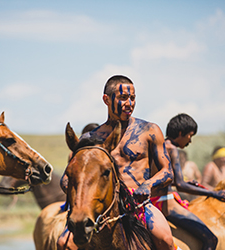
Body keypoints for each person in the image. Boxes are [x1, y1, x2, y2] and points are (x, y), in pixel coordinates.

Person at [58, 75, 175, 250]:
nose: (129, 103)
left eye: (132, 98)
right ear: (106, 99)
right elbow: (69, 177)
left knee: (164, 239)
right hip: (101, 209)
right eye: (123, 98)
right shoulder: (90, 139)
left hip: (138, 205)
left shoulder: (149, 130)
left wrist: (148, 185)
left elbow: (167, 171)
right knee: (62, 243)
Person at [164, 113, 225, 250]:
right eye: (190, 136)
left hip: (159, 200)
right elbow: (180, 185)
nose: (190, 141)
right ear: (180, 133)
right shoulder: (172, 149)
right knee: (211, 238)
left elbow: (164, 180)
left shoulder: (160, 145)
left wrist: (184, 183)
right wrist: (214, 194)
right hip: (166, 204)